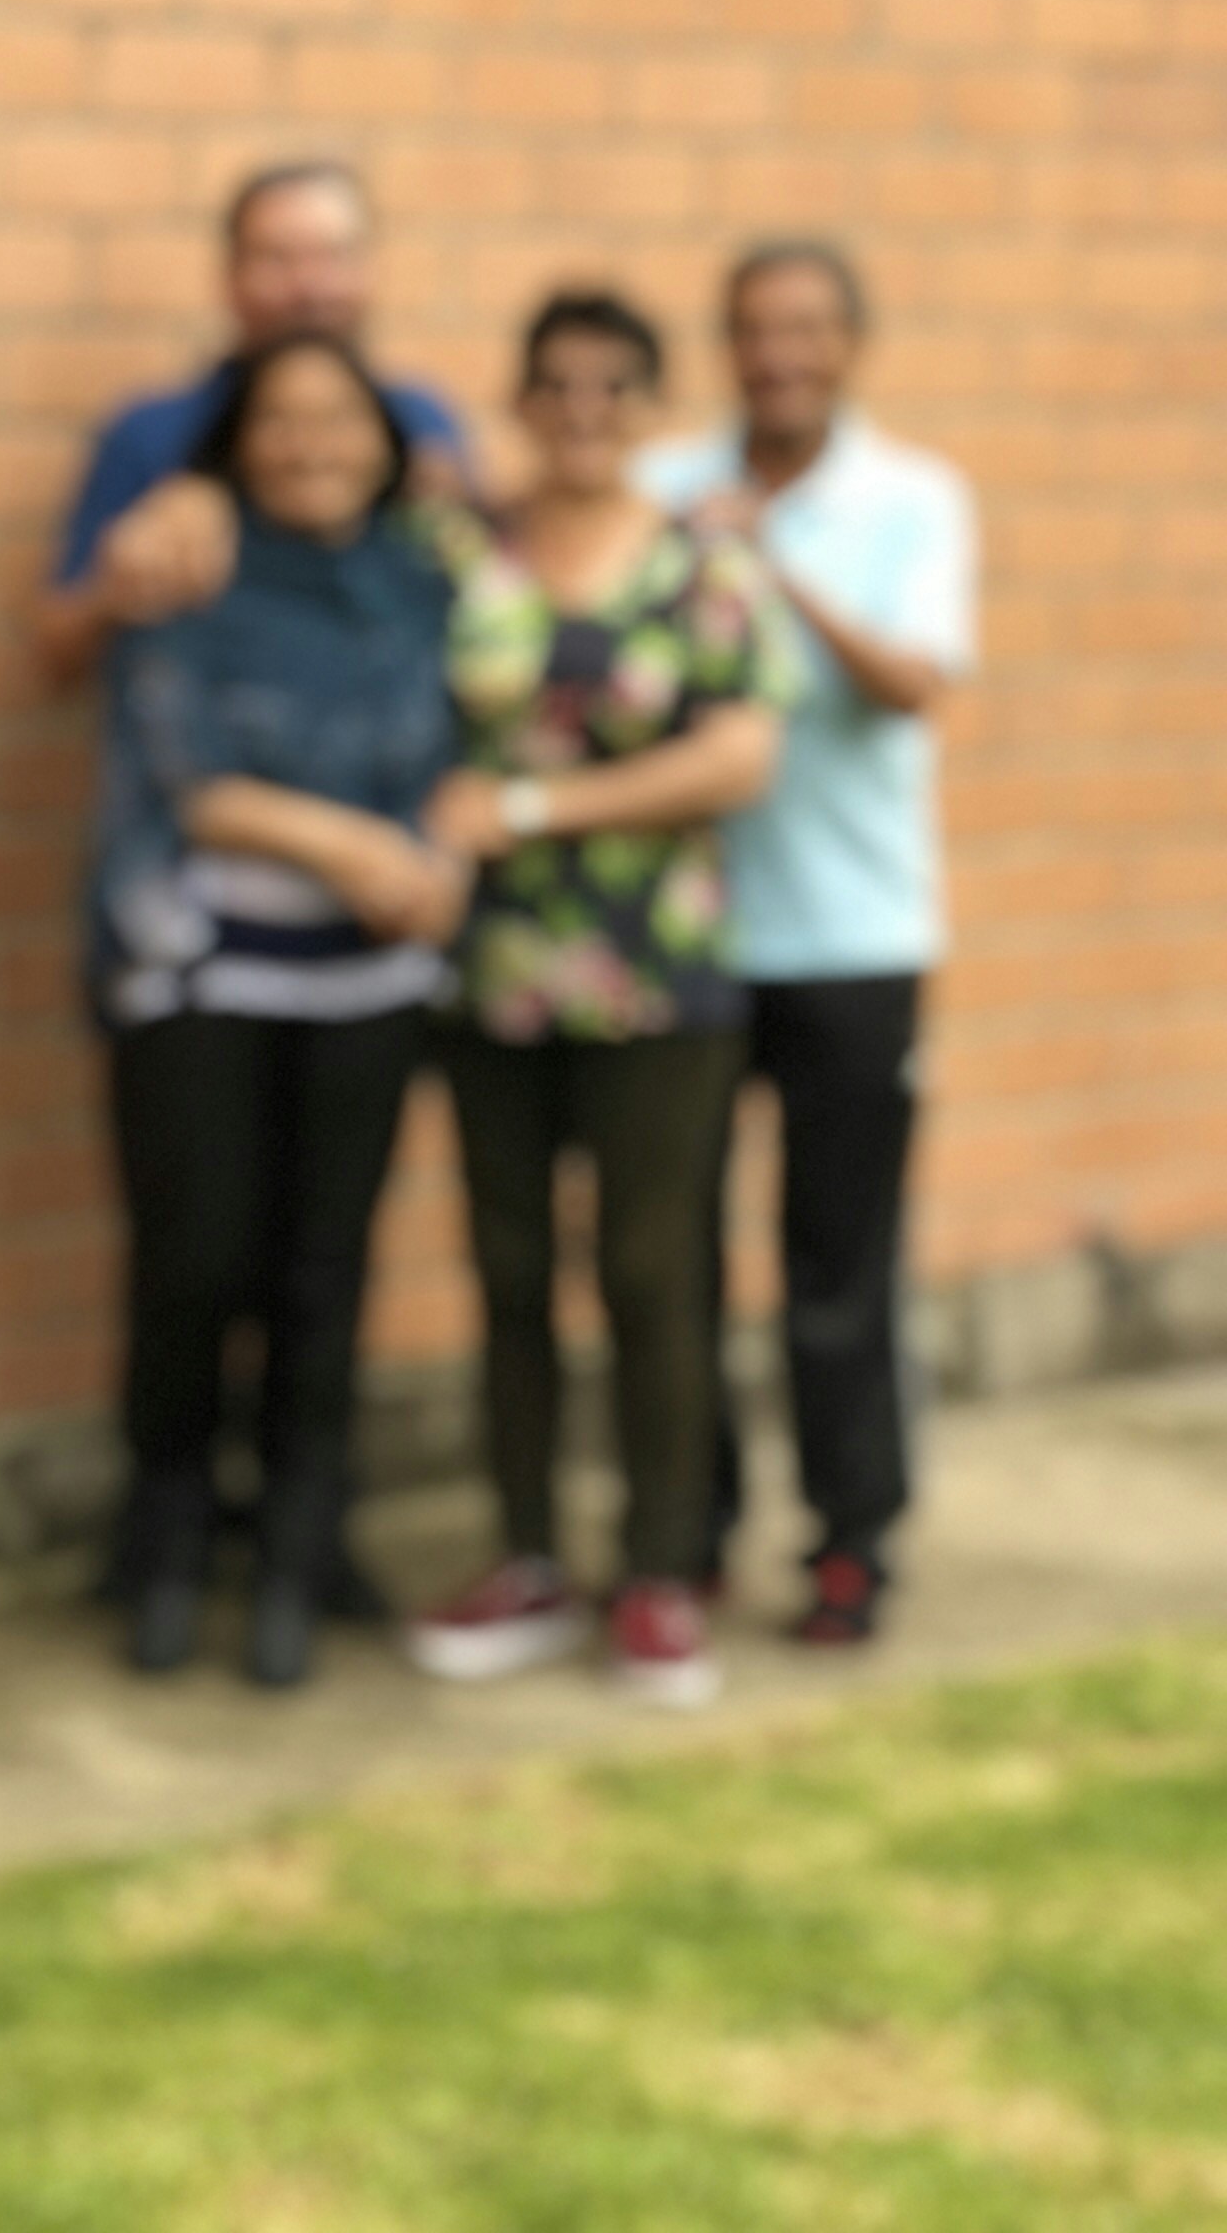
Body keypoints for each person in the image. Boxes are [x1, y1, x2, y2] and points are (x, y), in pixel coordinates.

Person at [406, 291, 788, 1710]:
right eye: (556, 384)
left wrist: (529, 806)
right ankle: (525, 1554)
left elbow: (738, 759)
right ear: (519, 399)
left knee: (650, 1272)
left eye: (613, 386)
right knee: (510, 1271)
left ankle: (661, 1573)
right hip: (492, 978)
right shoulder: (462, 552)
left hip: (659, 980)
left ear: (651, 407)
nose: (582, 411)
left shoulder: (705, 561)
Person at [87, 336, 466, 1689]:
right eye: (283, 420)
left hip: (370, 986)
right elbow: (192, 778)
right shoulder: (188, 564)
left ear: (387, 441)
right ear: (238, 443)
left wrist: (435, 856)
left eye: (341, 418)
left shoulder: (428, 579)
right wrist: (353, 847)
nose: (313, 444)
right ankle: (169, 1540)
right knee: (195, 1268)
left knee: (326, 1273)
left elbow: (472, 742)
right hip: (205, 974)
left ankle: (302, 1553)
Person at [640, 241, 975, 1648]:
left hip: (854, 939)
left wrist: (766, 571)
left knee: (841, 1261)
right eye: (754, 329)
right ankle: (688, 1533)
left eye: (805, 329)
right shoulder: (665, 485)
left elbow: (909, 686)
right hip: (689, 938)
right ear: (726, 345)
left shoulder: (913, 497)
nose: (778, 354)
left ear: (850, 343)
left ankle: (851, 1542)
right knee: (677, 1258)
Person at [30, 161, 470, 693]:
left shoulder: (420, 423)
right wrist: (119, 583)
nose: (308, 287)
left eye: (333, 255)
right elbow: (58, 650)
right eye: (277, 259)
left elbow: (486, 606)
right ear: (230, 276)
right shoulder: (151, 435)